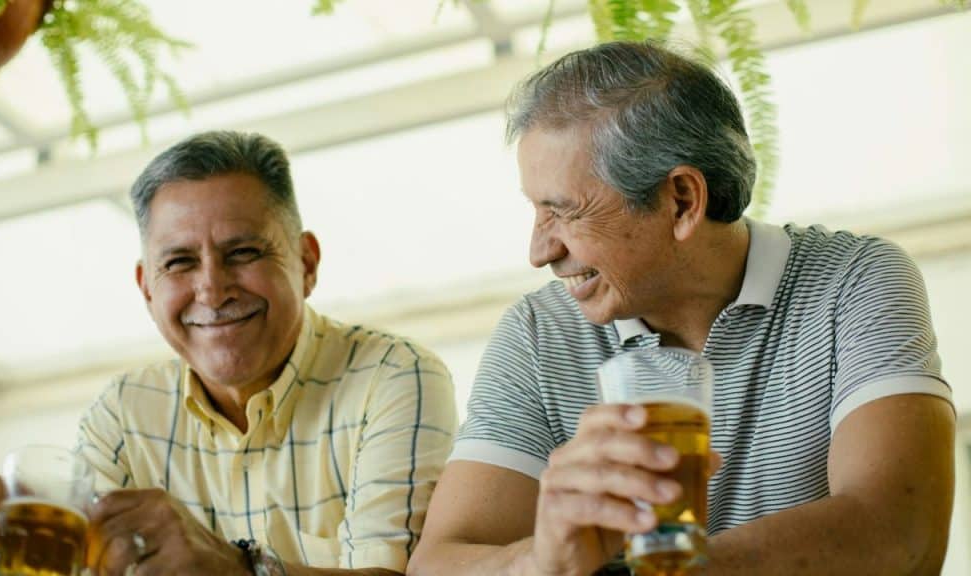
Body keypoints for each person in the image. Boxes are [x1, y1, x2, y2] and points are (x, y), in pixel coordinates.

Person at [408, 41, 955, 576]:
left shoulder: (852, 281)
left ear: (682, 201)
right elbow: (438, 564)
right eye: (536, 210)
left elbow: (903, 538)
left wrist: (670, 565)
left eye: (563, 212)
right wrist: (543, 561)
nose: (539, 251)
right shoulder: (537, 333)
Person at [0, 131, 457, 576]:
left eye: (243, 252)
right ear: (147, 289)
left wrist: (234, 567)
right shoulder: (124, 413)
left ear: (306, 263)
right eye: (179, 262)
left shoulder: (392, 378)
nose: (212, 289)